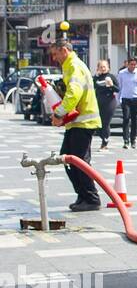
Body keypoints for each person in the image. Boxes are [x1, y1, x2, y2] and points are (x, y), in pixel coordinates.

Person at [48, 40, 102, 212]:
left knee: (79, 162)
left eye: (56, 54)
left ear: (64, 50)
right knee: (67, 159)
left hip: (84, 122)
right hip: (76, 123)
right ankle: (83, 195)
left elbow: (74, 94)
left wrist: (58, 114)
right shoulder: (70, 66)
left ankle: (91, 198)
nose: (54, 58)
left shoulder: (74, 66)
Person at [117, 56, 137, 148]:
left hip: (136, 99)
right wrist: (118, 100)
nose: (133, 66)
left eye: (135, 64)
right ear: (127, 64)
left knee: (134, 120)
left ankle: (133, 140)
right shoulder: (122, 73)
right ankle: (126, 140)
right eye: (131, 64)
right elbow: (119, 88)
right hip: (126, 99)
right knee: (126, 118)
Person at [92, 60, 118, 150]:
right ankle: (103, 137)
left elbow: (117, 89)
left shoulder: (111, 77)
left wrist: (111, 85)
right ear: (98, 68)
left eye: (104, 67)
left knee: (106, 122)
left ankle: (105, 142)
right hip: (99, 101)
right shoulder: (97, 78)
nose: (103, 69)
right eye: (101, 67)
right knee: (98, 123)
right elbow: (92, 86)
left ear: (108, 68)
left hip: (109, 101)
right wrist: (96, 76)